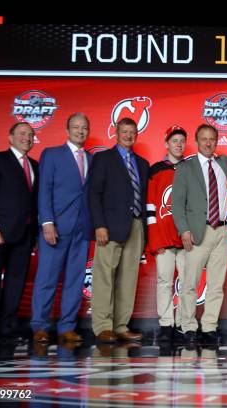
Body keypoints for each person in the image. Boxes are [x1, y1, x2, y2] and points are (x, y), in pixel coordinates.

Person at [31, 113, 93, 344]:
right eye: (76, 127)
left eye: (84, 128)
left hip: (82, 229)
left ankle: (67, 326)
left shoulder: (91, 159)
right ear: (67, 130)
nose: (80, 131)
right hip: (56, 227)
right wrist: (47, 222)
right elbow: (44, 190)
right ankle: (40, 326)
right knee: (47, 278)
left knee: (75, 280)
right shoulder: (52, 154)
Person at [88, 117, 149, 343]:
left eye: (132, 131)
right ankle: (103, 326)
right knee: (104, 276)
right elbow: (94, 193)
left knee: (129, 278)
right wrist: (99, 225)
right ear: (116, 132)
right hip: (110, 226)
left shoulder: (142, 164)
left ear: (136, 134)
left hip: (135, 224)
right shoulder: (103, 158)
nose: (128, 135)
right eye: (124, 131)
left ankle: (121, 325)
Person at [0, 122, 38, 344]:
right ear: (10, 137)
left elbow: (34, 203)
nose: (27, 138)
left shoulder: (35, 165)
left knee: (15, 283)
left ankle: (6, 328)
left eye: (31, 135)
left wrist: (35, 235)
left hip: (25, 235)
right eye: (22, 134)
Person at [172, 124, 227, 345]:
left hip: (222, 230)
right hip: (198, 231)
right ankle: (188, 326)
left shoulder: (223, 164)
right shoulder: (186, 168)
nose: (208, 143)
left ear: (217, 141)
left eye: (212, 139)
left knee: (216, 283)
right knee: (190, 282)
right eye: (204, 139)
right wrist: (184, 229)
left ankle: (209, 327)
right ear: (197, 141)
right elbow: (177, 204)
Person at [146, 125, 187, 343]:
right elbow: (151, 207)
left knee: (187, 282)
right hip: (163, 236)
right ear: (166, 144)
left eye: (181, 140)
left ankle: (182, 323)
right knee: (164, 281)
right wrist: (154, 237)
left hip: (186, 238)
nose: (178, 144)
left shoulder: (191, 168)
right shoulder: (155, 170)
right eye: (174, 140)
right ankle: (166, 324)